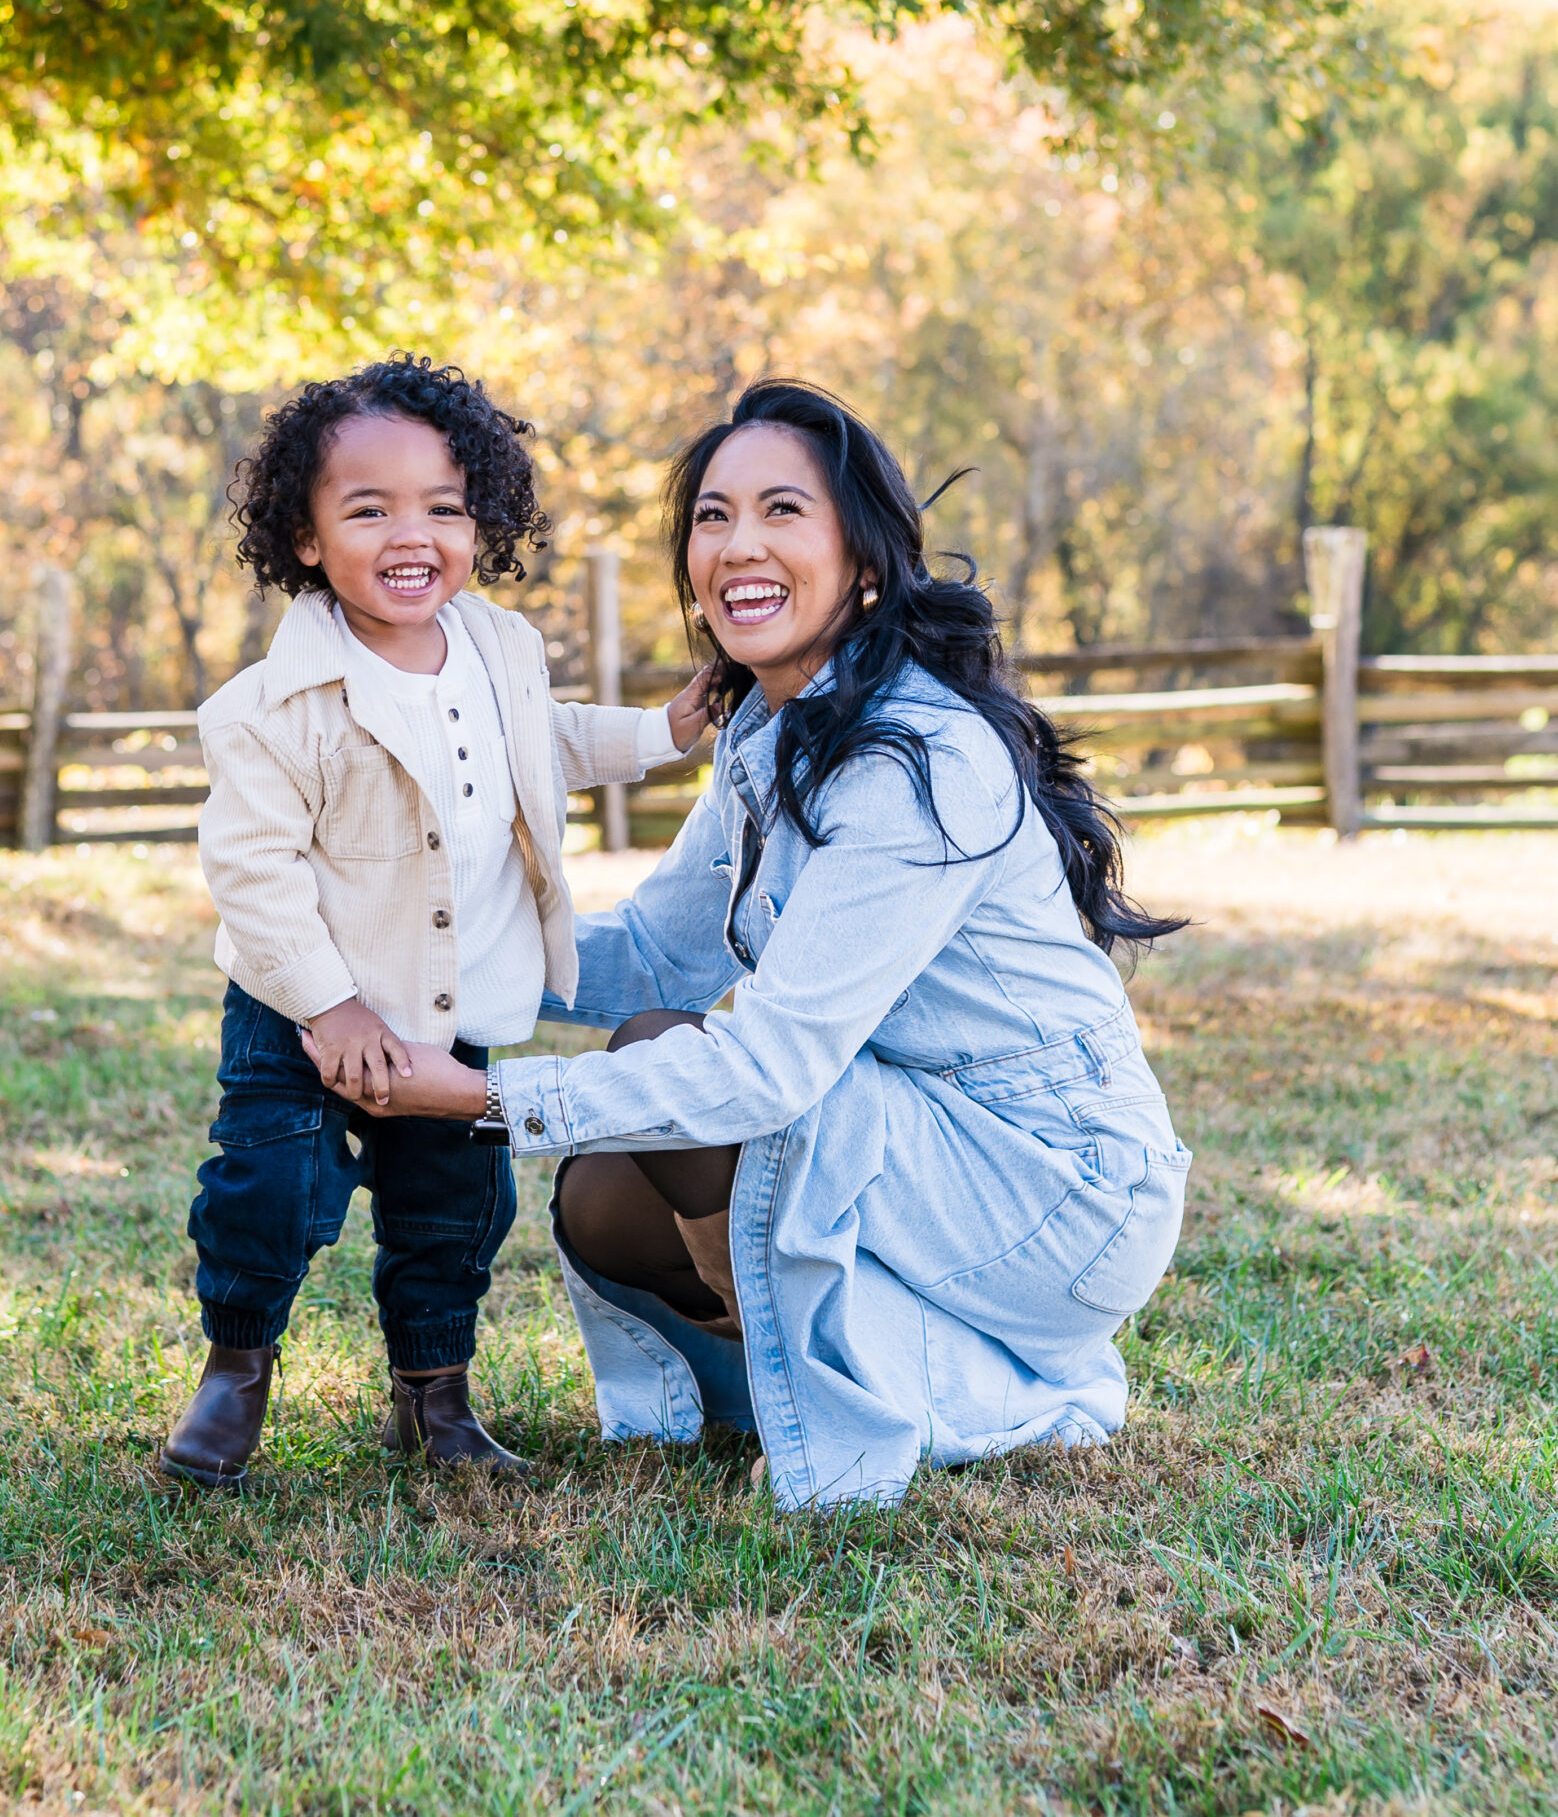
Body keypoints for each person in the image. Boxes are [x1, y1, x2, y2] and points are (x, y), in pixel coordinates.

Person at [338, 379, 1191, 1511]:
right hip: (918, 1133)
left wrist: (484, 1099)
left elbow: (767, 1067)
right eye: (712, 515)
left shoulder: (915, 764)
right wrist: (408, 954)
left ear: (865, 559)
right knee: (605, 1203)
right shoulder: (768, 724)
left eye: (783, 510)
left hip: (1057, 1190)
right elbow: (650, 949)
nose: (738, 543)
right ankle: (813, 1369)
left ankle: (977, 1382)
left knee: (669, 1078)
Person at [159, 357, 710, 1490]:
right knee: (273, 1187)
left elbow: (542, 741)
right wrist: (329, 1003)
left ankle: (434, 1397)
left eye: (443, 508)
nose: (412, 533)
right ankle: (235, 1367)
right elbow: (252, 869)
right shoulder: (275, 705)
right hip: (305, 1009)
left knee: (454, 1207)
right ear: (304, 538)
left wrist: (661, 727)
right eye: (368, 509)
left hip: (453, 1001)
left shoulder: (500, 647)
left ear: (482, 523)